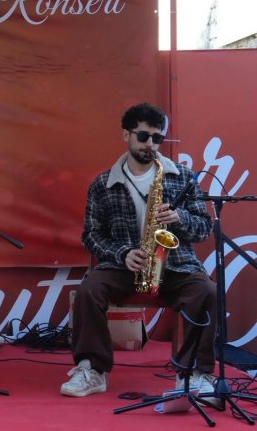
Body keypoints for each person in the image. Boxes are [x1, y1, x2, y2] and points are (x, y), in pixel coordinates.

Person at [61, 103, 216, 398]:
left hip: (176, 265)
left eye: (158, 138)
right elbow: (91, 235)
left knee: (206, 291)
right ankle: (92, 369)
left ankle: (194, 374)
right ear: (126, 134)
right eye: (143, 136)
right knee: (88, 291)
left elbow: (204, 228)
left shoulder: (182, 177)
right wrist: (123, 253)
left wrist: (180, 218)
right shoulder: (103, 184)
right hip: (124, 266)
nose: (150, 144)